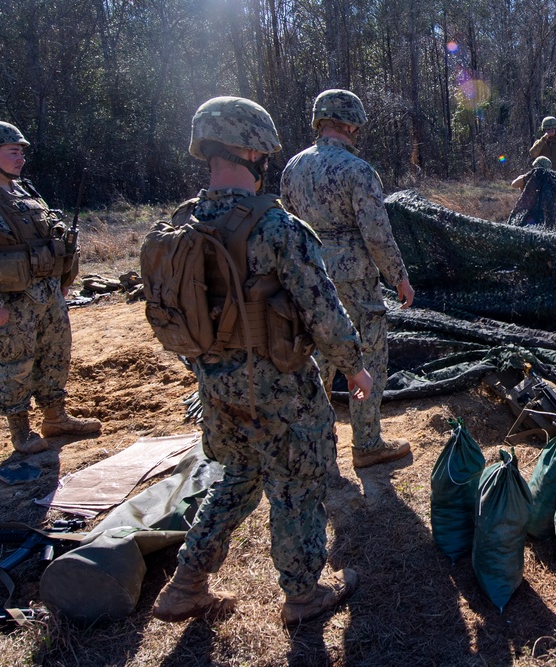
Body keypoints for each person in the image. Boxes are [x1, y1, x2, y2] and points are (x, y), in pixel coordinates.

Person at [151, 97, 372, 626]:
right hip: (281, 389)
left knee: (239, 476)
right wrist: (354, 366)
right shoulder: (277, 229)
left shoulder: (183, 223)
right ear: (253, 150)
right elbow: (324, 311)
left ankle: (185, 585)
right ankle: (303, 595)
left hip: (216, 387)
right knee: (298, 488)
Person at [0, 121, 101, 454]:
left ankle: (55, 417)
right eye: (13, 152)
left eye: (21, 153)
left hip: (47, 294)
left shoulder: (26, 192)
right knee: (17, 364)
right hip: (9, 301)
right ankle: (21, 432)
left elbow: (50, 238)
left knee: (56, 356)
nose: (20, 159)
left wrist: (62, 280)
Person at [280, 88, 415, 469]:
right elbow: (376, 234)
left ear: (319, 122)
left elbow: (288, 228)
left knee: (318, 355)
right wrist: (399, 277)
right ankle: (368, 444)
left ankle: (316, 447)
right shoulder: (357, 170)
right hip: (355, 279)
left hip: (310, 278)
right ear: (351, 124)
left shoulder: (292, 168)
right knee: (369, 355)